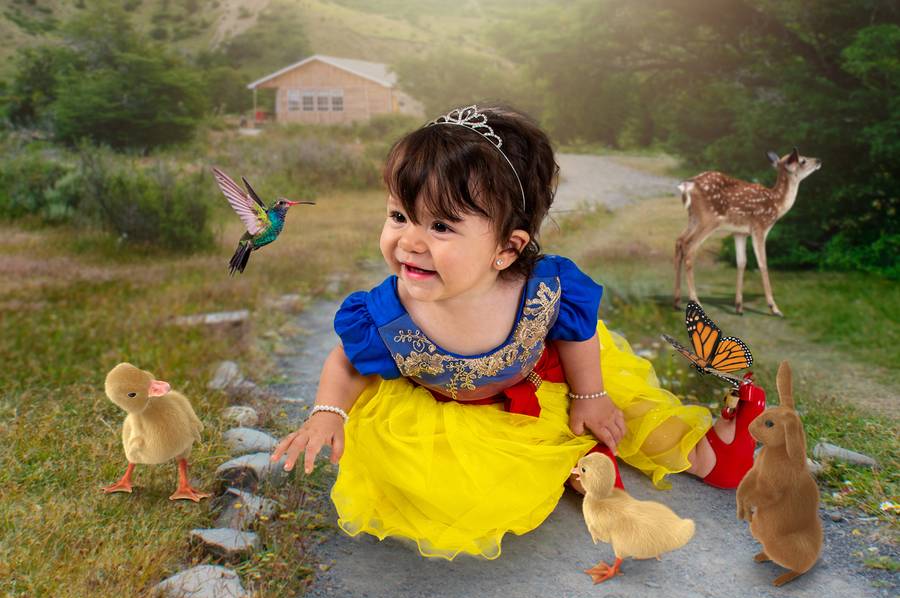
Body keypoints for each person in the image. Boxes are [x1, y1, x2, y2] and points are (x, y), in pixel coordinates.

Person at [271, 105, 765, 560]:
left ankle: (713, 451)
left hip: (545, 382)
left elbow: (576, 334)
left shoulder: (539, 289)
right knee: (453, 488)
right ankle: (580, 464)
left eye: (440, 226)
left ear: (507, 249)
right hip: (450, 415)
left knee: (622, 410)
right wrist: (328, 413)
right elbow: (347, 361)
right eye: (399, 216)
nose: (410, 241)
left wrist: (590, 394)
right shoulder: (388, 312)